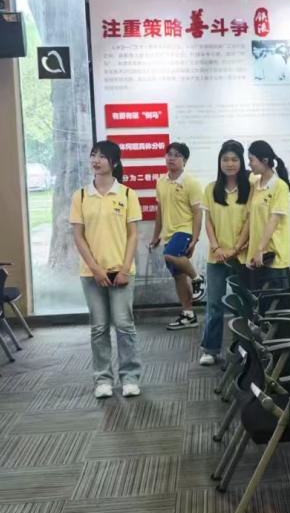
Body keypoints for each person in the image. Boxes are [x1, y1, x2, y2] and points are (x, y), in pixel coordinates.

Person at [71, 140, 144, 398]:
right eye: (93, 155)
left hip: (122, 271)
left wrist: (124, 269)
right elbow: (78, 236)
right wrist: (95, 268)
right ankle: (102, 379)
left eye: (102, 156)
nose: (96, 160)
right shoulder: (81, 196)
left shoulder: (127, 194)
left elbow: (133, 235)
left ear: (114, 162)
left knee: (124, 326)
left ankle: (130, 378)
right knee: (99, 327)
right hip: (91, 273)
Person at [199, 141, 251, 366]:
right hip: (217, 257)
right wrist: (216, 247)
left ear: (241, 162)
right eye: (225, 159)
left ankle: (245, 350)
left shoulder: (251, 188)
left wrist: (236, 248)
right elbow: (208, 221)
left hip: (242, 256)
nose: (230, 164)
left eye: (234, 159)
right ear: (219, 162)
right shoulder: (211, 189)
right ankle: (210, 349)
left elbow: (251, 221)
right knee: (214, 304)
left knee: (243, 305)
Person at [150, 142, 204, 330]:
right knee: (179, 276)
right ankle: (188, 314)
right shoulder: (161, 182)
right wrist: (156, 235)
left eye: (177, 155)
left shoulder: (191, 182)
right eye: (169, 154)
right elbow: (160, 211)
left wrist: (195, 239)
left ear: (185, 161)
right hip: (169, 234)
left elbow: (198, 213)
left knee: (169, 255)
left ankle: (197, 278)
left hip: (185, 230)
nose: (172, 158)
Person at [244, 141, 290, 290]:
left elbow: (273, 221)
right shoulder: (256, 184)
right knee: (257, 300)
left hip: (273, 256)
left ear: (264, 161)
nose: (249, 164)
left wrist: (260, 249)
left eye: (251, 160)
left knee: (274, 302)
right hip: (256, 255)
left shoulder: (280, 186)